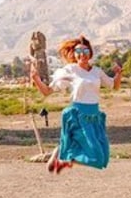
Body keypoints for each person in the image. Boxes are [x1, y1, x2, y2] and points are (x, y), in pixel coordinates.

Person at [30, 35, 122, 174]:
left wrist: (118, 74)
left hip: (94, 116)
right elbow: (47, 91)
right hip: (78, 115)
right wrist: (35, 78)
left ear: (90, 53)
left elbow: (114, 86)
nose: (82, 55)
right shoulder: (70, 70)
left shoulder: (97, 71)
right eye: (78, 51)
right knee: (95, 157)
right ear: (74, 54)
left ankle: (62, 154)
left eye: (85, 51)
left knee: (102, 158)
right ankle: (64, 156)